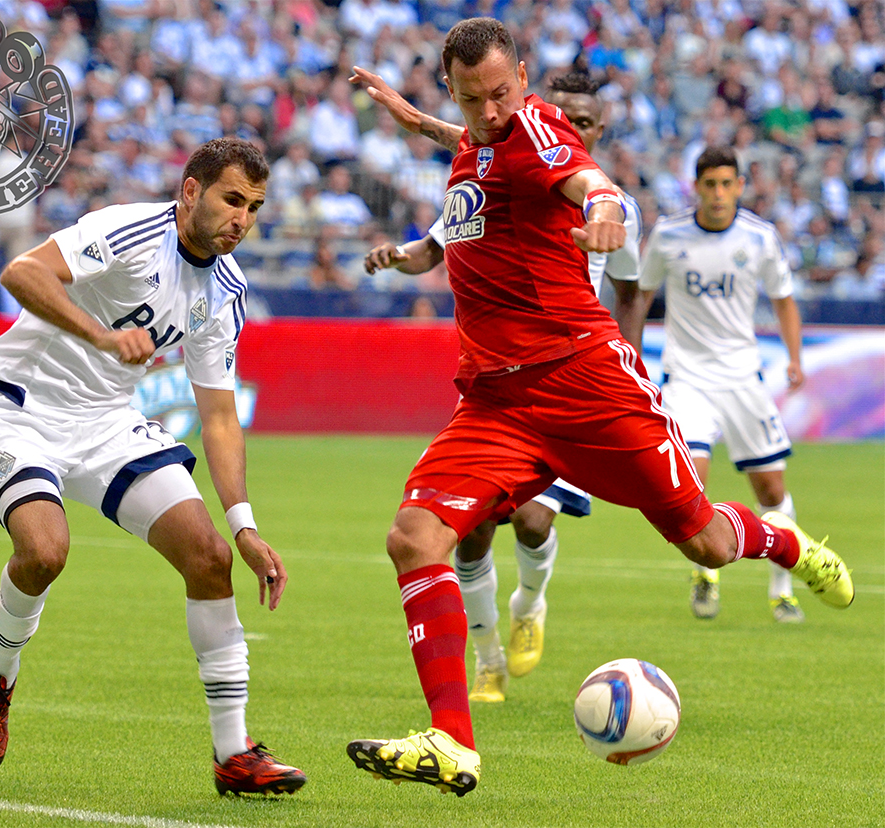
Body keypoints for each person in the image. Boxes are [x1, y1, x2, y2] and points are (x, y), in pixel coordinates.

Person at [343, 18, 852, 798]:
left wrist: (606, 209)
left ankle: (788, 547)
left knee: (709, 543)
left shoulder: (539, 125)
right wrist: (419, 123)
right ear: (450, 87)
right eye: (471, 97)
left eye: (503, 92)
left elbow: (582, 177)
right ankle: (452, 742)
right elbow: (478, 146)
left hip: (586, 384)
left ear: (524, 77)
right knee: (415, 537)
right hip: (497, 400)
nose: (490, 111)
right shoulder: (477, 140)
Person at [0, 138, 306, 796]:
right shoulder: (130, 228)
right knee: (45, 553)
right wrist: (103, 335)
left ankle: (233, 755)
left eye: (255, 208)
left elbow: (221, 419)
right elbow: (22, 274)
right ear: (191, 191)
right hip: (18, 406)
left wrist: (246, 527)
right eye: (232, 199)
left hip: (107, 422)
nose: (242, 219)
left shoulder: (227, 289)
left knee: (209, 557)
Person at [357, 69, 646, 705]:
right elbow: (435, 244)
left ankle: (529, 602)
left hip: (577, 380)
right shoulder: (493, 178)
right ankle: (487, 658)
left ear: (595, 131)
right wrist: (398, 255)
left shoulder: (611, 205)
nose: (569, 125)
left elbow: (631, 292)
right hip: (495, 381)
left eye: (585, 120)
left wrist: (630, 370)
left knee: (534, 522)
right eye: (561, 112)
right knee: (476, 528)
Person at [633, 145, 810, 624]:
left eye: (727, 183)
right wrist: (627, 355)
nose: (718, 193)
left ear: (739, 186)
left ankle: (781, 588)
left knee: (771, 489)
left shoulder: (759, 237)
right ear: (696, 186)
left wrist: (794, 359)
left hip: (742, 378)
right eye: (709, 184)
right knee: (695, 480)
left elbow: (784, 300)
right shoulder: (669, 236)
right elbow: (640, 295)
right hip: (687, 378)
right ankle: (707, 572)